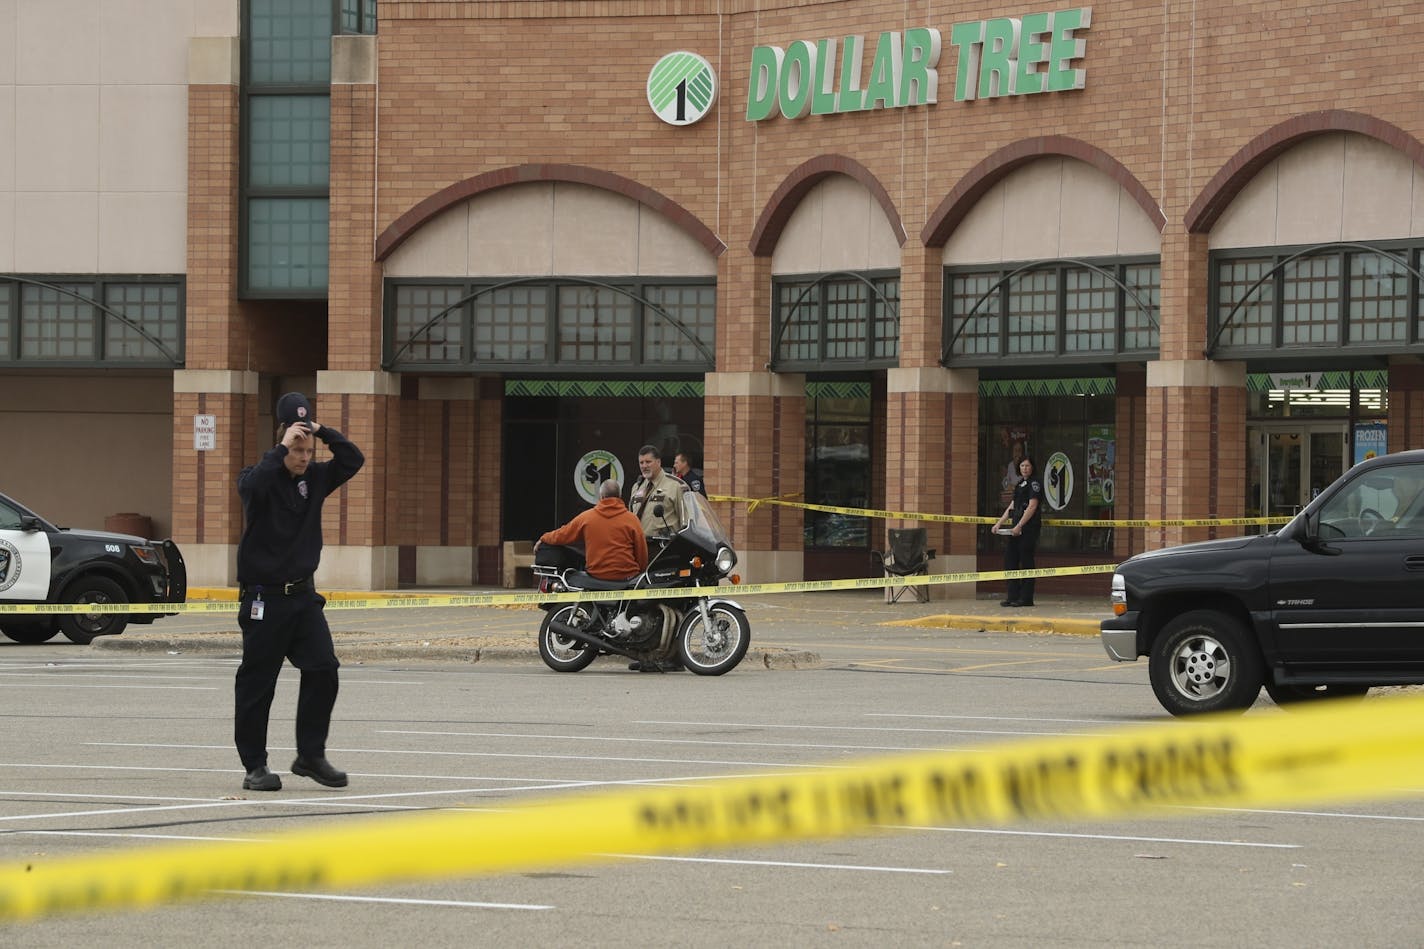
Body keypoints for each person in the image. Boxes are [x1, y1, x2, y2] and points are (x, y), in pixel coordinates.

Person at [233, 392, 364, 792]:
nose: (304, 456)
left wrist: (323, 432)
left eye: (309, 449)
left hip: (303, 599)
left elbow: (353, 459)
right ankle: (255, 766)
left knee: (324, 669)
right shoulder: (261, 477)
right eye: (297, 448)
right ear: (282, 442)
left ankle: (310, 755)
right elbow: (250, 489)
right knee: (259, 685)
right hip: (264, 599)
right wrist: (280, 450)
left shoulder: (316, 479)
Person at [535, 478, 648, 581]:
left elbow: (562, 535)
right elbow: (642, 553)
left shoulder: (587, 517)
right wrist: (640, 573)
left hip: (597, 576)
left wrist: (544, 538)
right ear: (620, 496)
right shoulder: (632, 519)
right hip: (627, 576)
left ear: (601, 496)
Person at [993, 455, 1043, 608]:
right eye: (1022, 466)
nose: (1025, 468)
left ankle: (1026, 598)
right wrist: (998, 523)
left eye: (1027, 466)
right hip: (1015, 529)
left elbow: (1032, 506)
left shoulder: (1035, 484)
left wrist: (1020, 525)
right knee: (1010, 560)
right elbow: (1012, 506)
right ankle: (1012, 596)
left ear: (1032, 467)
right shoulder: (1020, 484)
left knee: (1026, 561)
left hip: (1028, 529)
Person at [629, 444, 688, 537]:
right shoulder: (637, 487)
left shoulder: (675, 486)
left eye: (648, 462)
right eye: (641, 463)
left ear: (658, 462)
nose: (644, 466)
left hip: (663, 546)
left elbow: (686, 523)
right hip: (639, 545)